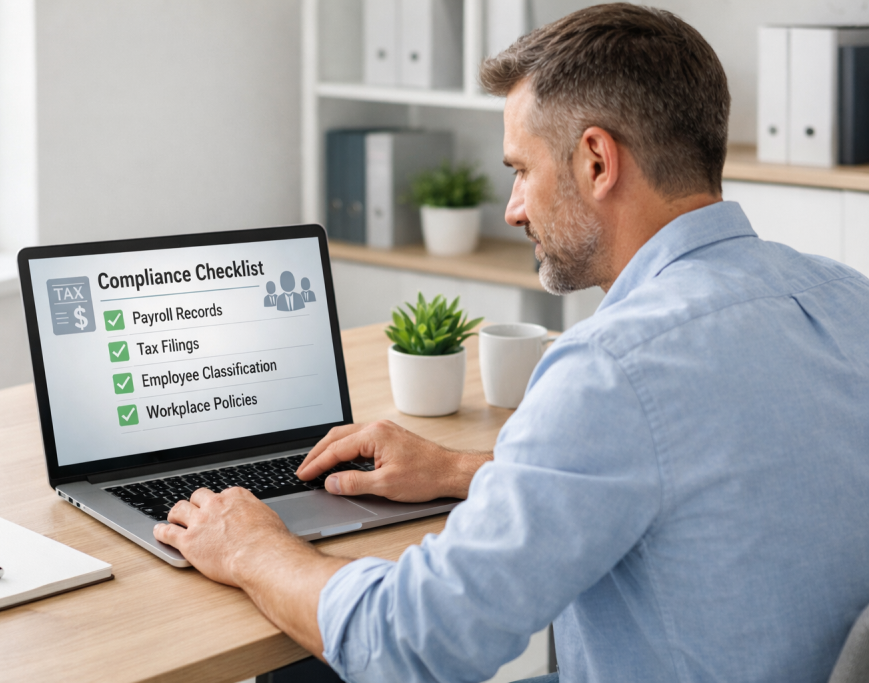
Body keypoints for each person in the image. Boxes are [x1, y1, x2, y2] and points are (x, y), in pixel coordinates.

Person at [152, 5, 869, 682]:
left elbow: (411, 644)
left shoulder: (612, 368)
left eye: (522, 169)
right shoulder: (847, 298)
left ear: (596, 162)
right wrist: (463, 469)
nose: (513, 208)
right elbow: (693, 467)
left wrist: (252, 547)